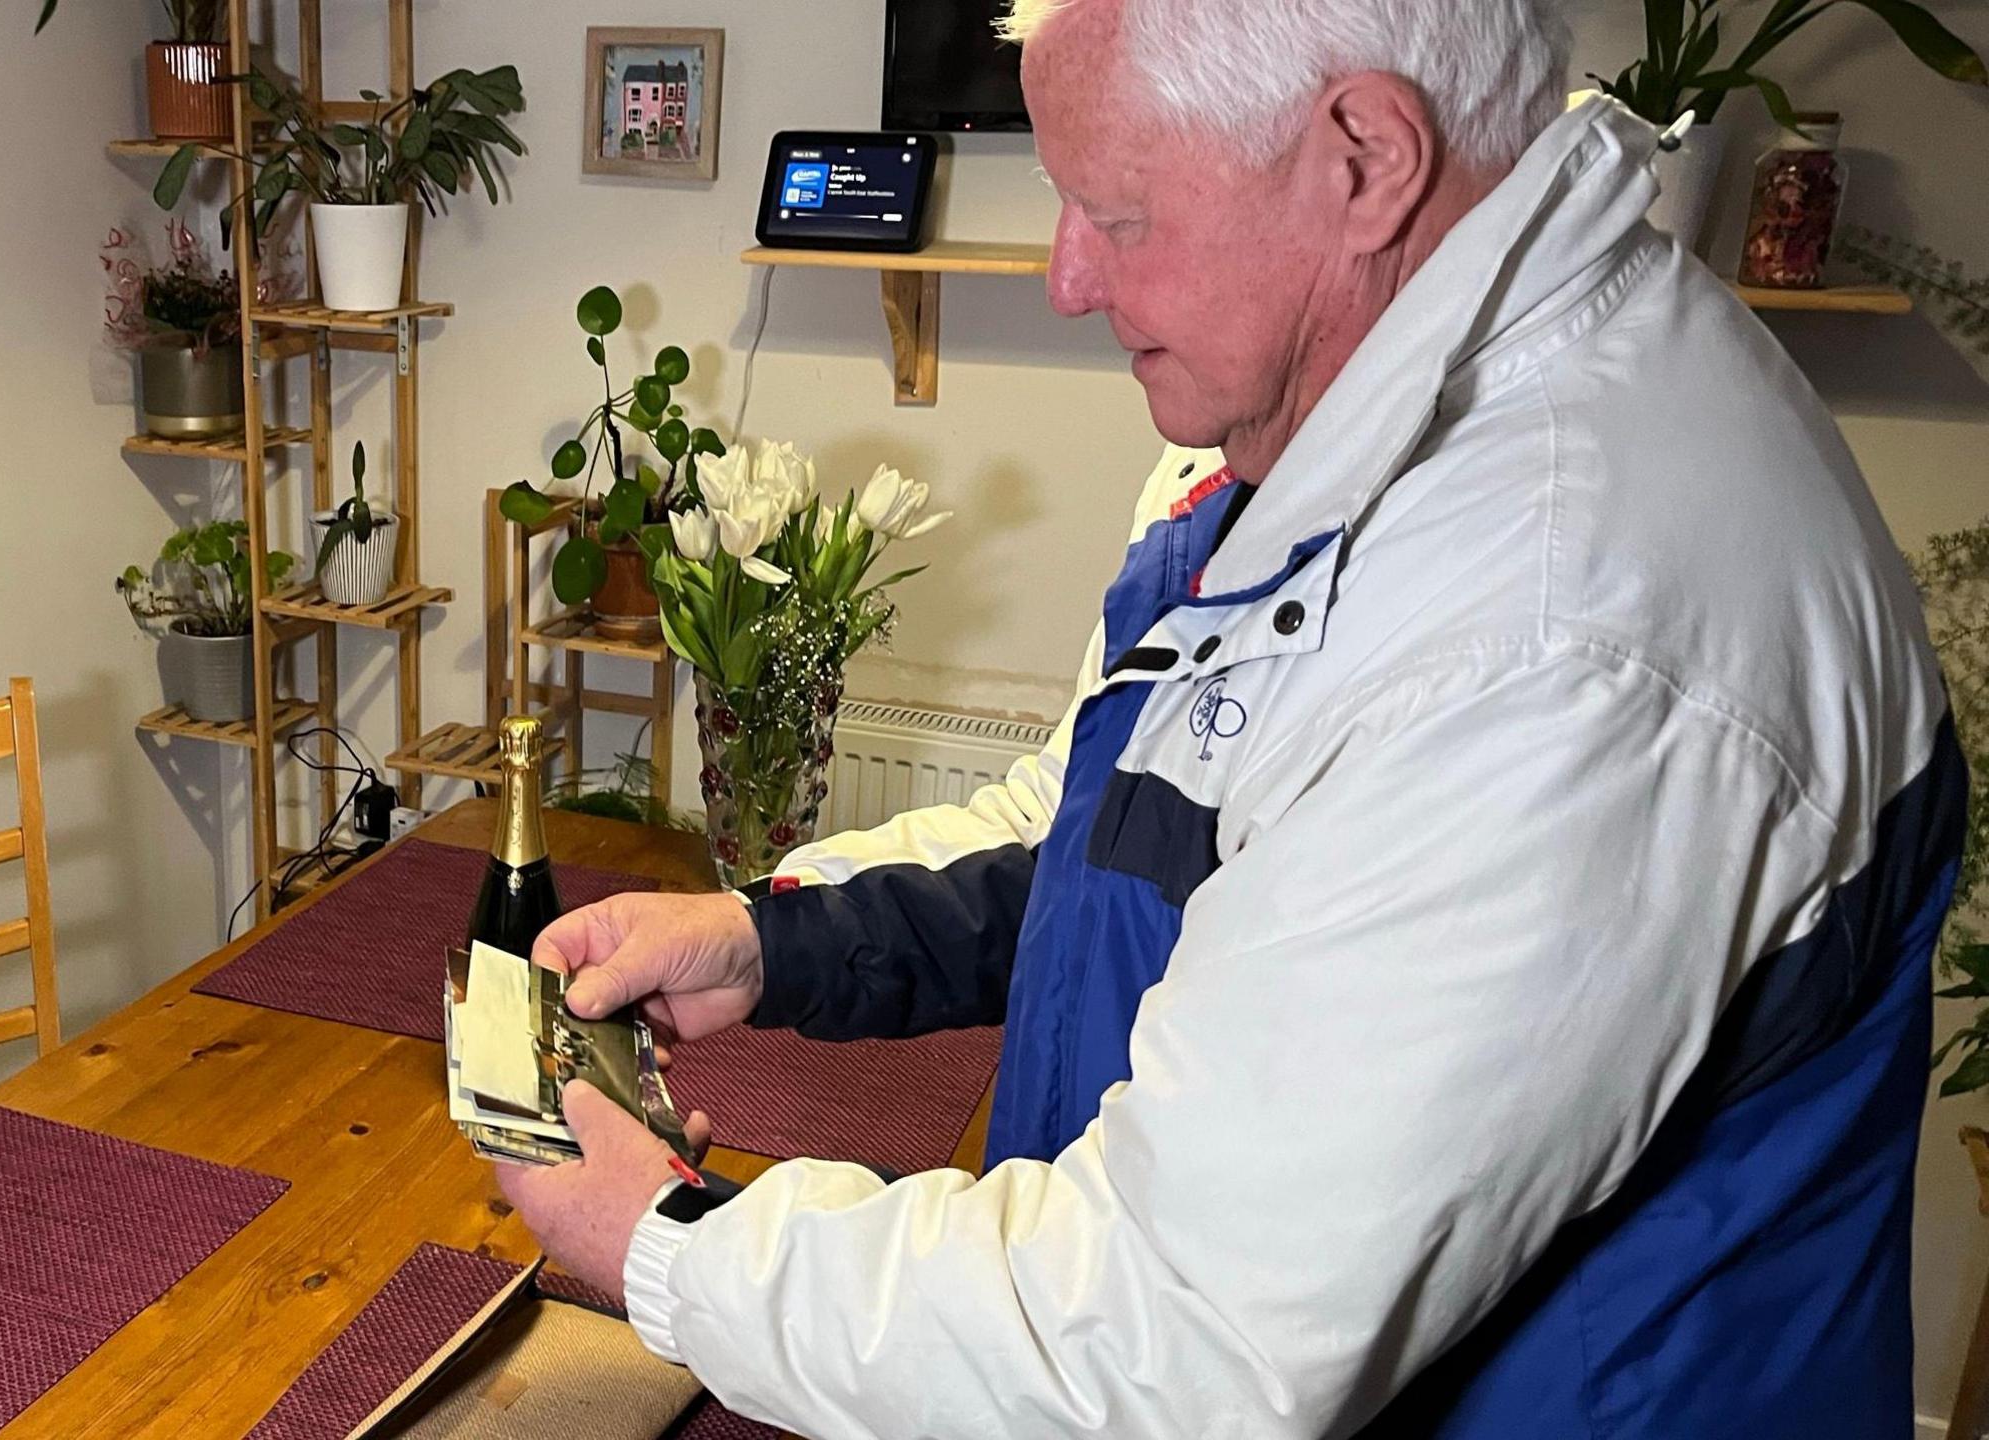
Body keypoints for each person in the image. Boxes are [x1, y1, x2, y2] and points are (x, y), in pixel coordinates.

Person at [497, 0, 1967, 1434]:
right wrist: (777, 939)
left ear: (1364, 156)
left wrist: (669, 1244)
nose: (1068, 275)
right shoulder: (1336, 412)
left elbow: (1173, 1344)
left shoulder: (1555, 627)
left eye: (1117, 212)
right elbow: (1127, 834)